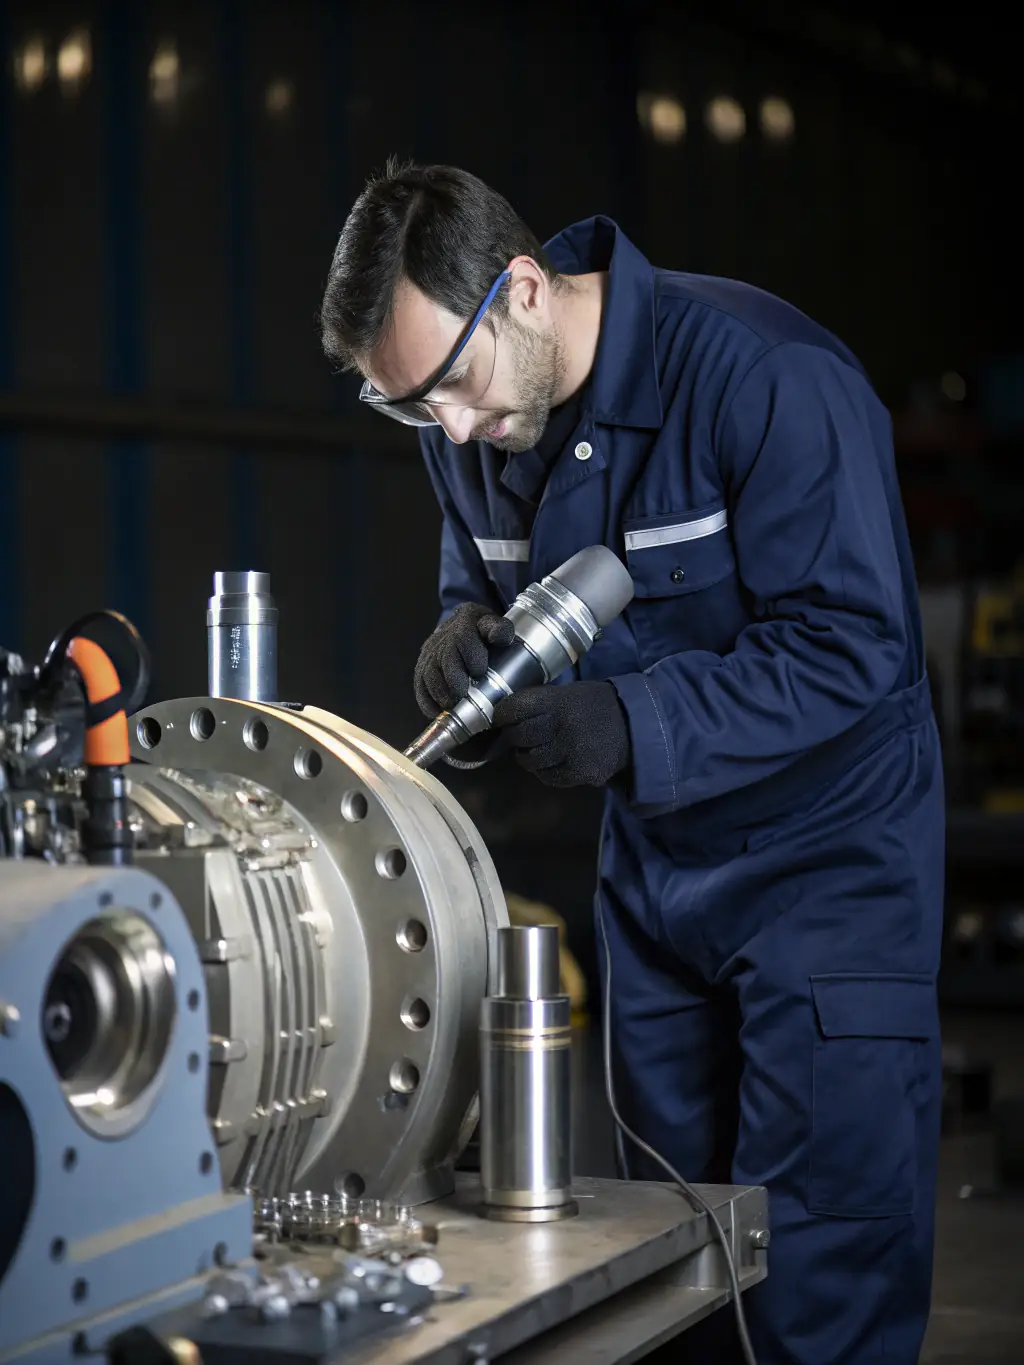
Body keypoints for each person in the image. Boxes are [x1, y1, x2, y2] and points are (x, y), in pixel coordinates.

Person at [320, 160, 944, 1365]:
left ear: (523, 289)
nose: (447, 430)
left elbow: (857, 645)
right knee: (666, 1252)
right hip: (659, 880)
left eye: (451, 385)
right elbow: (484, 579)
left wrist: (631, 723)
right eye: (404, 409)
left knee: (816, 1258)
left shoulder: (763, 378)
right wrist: (462, 641)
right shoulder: (470, 417)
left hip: (830, 873)